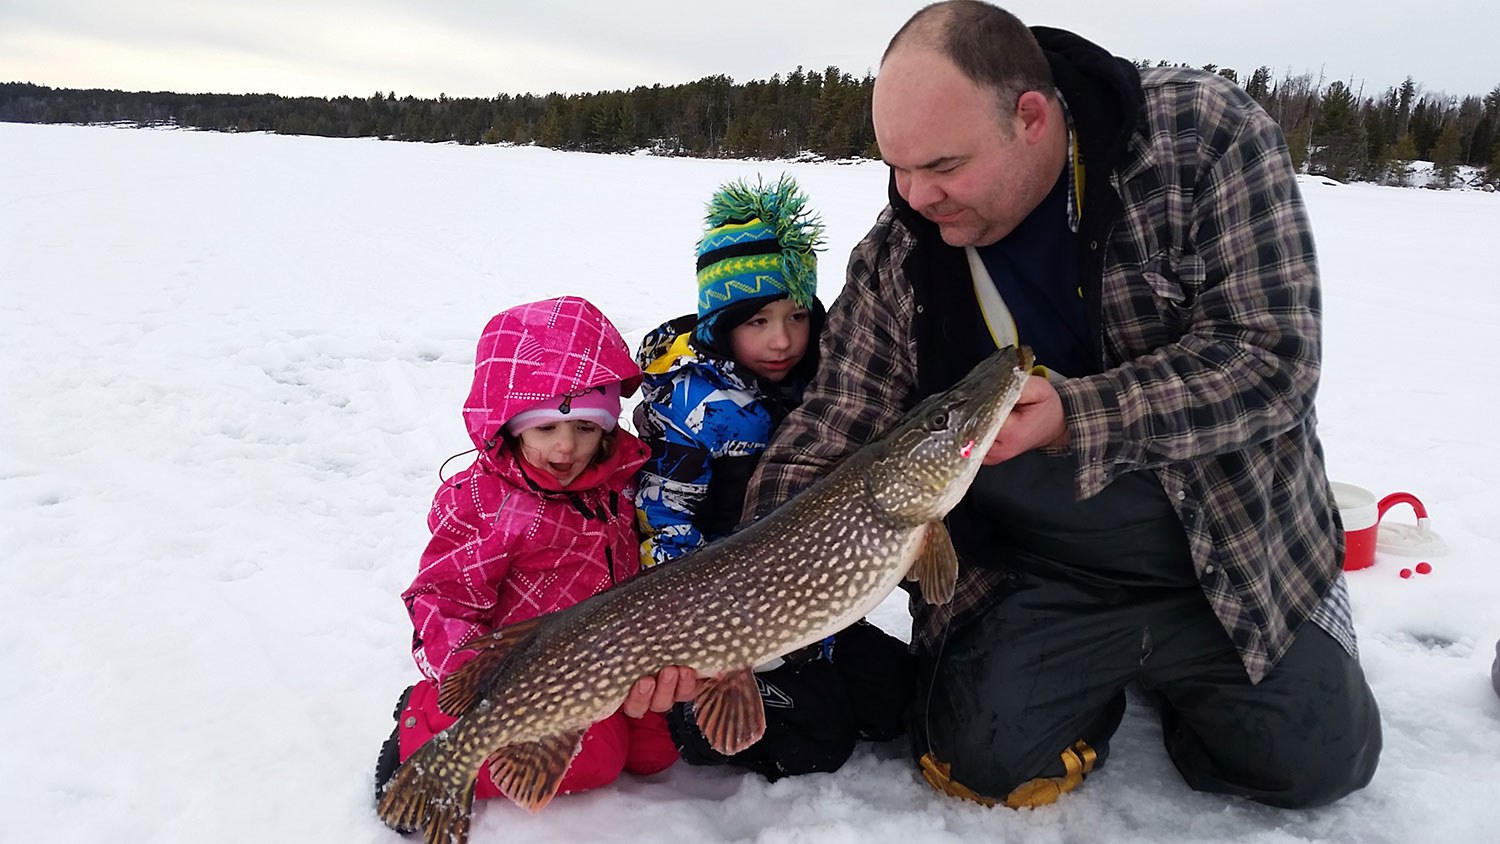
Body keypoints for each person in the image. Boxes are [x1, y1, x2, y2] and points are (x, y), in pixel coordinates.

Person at [741, 0, 1381, 811]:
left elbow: (1271, 358)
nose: (915, 195)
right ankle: (1079, 666)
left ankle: (1218, 666)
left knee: (1313, 765)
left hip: (1221, 534)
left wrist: (1081, 414)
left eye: (941, 165)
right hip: (1036, 570)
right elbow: (832, 429)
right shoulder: (900, 252)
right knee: (979, 763)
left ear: (1032, 119)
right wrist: (739, 583)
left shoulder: (1202, 139)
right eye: (896, 167)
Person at [633, 175, 915, 781]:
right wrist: (703, 627)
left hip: (802, 604)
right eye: (756, 321)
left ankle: (809, 669)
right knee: (820, 738)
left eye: (796, 316)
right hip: (712, 622)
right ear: (720, 325)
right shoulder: (692, 406)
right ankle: (686, 715)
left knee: (898, 703)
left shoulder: (830, 388)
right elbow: (663, 517)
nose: (782, 339)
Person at [374, 296, 678, 810]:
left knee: (658, 751)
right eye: (545, 428)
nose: (566, 449)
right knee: (597, 758)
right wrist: (471, 679)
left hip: (605, 657)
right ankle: (423, 729)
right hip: (519, 674)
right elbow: (440, 599)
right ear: (511, 423)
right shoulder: (490, 506)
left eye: (586, 428)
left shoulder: (615, 483)